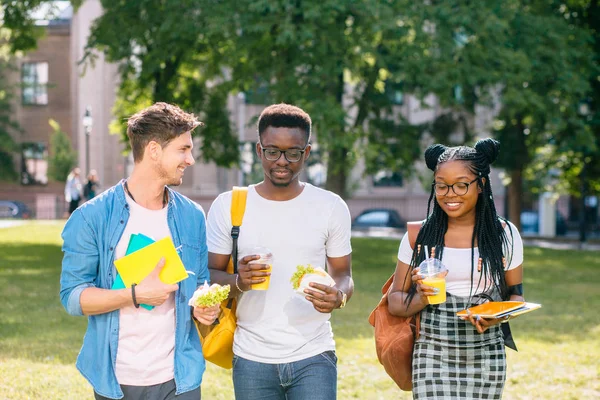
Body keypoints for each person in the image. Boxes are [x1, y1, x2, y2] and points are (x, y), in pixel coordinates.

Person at [60, 102, 220, 400]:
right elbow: (72, 297)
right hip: (117, 379)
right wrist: (134, 295)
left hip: (179, 378)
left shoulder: (192, 216)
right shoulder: (91, 217)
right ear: (154, 150)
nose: (191, 159)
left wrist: (204, 307)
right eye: (183, 149)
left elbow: (199, 284)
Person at [207, 103, 354, 400]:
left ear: (307, 153)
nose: (282, 161)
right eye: (273, 151)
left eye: (293, 153)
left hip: (314, 354)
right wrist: (239, 282)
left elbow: (343, 274)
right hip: (251, 356)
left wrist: (338, 296)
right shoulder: (229, 205)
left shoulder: (331, 206)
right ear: (259, 151)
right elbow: (210, 276)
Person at [388, 138, 524, 399]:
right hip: (432, 352)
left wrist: (498, 315)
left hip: (485, 354)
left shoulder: (504, 234)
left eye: (461, 185)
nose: (450, 194)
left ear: (481, 184)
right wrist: (421, 297)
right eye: (441, 186)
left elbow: (516, 294)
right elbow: (395, 302)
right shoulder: (419, 236)